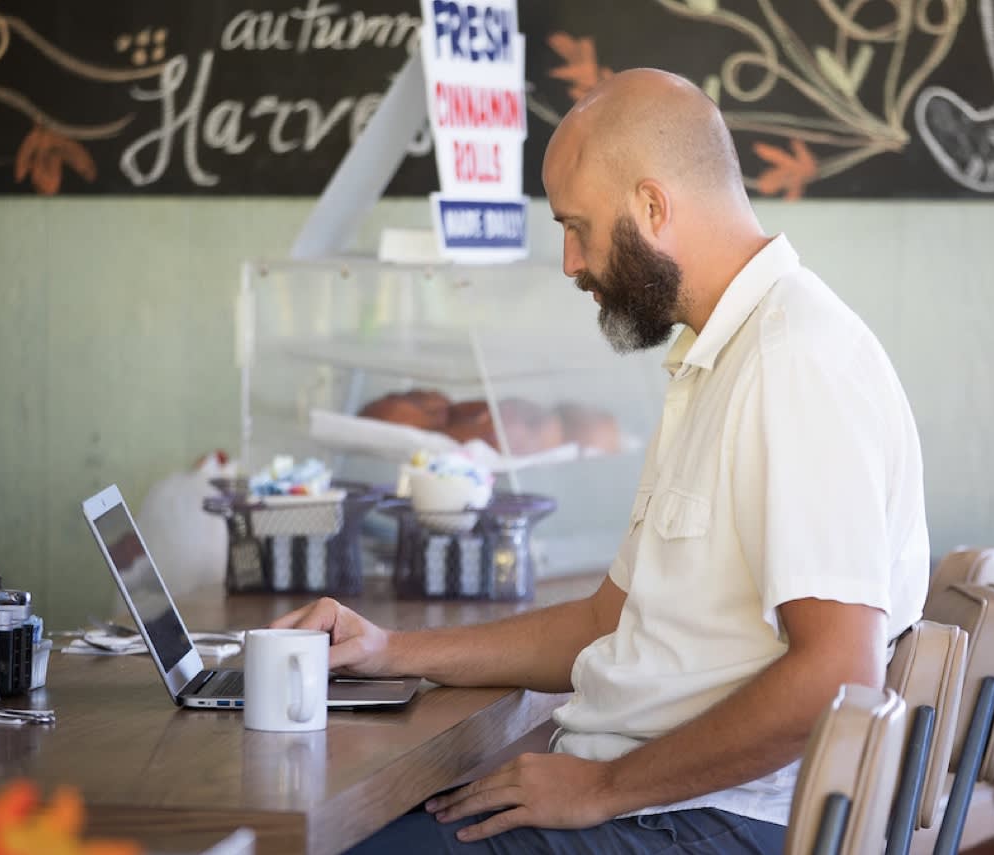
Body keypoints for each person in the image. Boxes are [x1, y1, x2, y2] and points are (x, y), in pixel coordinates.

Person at [272, 67, 929, 854]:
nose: (570, 261)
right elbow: (604, 621)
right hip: (658, 801)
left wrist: (601, 789)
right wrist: (389, 651)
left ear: (653, 208)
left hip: (707, 822)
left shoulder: (795, 362)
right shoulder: (722, 356)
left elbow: (838, 674)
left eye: (577, 225)